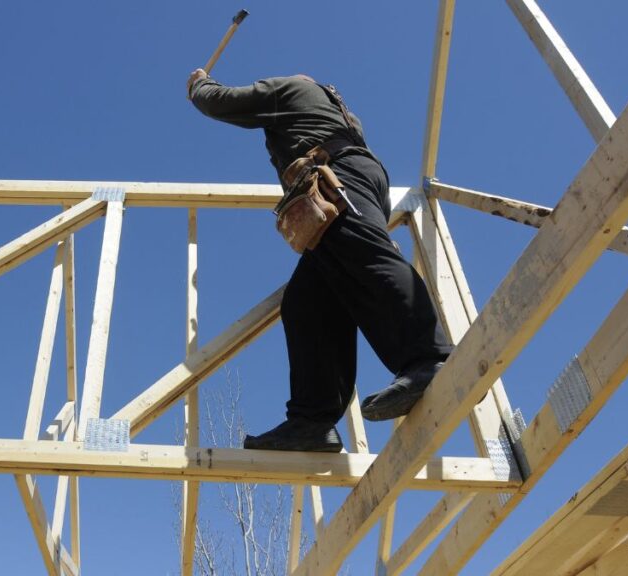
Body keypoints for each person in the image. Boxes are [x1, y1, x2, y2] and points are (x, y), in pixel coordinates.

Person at [188, 70, 453, 452]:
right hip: (354, 177)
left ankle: (428, 358)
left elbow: (223, 102)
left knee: (365, 256)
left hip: (335, 175)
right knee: (307, 303)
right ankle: (313, 420)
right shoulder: (334, 109)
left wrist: (200, 86)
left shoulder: (289, 89)